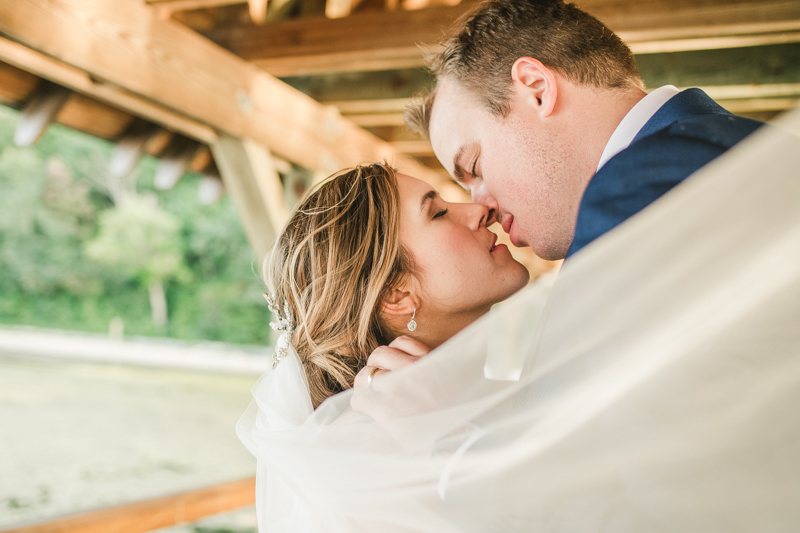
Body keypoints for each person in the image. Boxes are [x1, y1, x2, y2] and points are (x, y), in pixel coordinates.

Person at [237, 107, 800, 532]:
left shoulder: (493, 392)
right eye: (436, 211)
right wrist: (448, 445)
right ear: (397, 296)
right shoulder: (373, 456)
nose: (477, 205)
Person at [363, 0, 765, 383]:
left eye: (475, 167)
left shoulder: (644, 189)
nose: (480, 205)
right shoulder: (726, 147)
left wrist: (440, 434)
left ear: (537, 88)